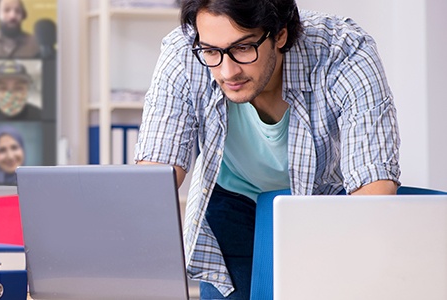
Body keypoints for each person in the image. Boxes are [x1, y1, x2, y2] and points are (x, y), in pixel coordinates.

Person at [134, 0, 401, 299]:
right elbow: (157, 171)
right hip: (232, 198)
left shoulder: (343, 52)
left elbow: (372, 185)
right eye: (211, 51)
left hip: (321, 202)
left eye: (243, 48)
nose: (227, 71)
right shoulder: (183, 51)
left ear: (280, 35)